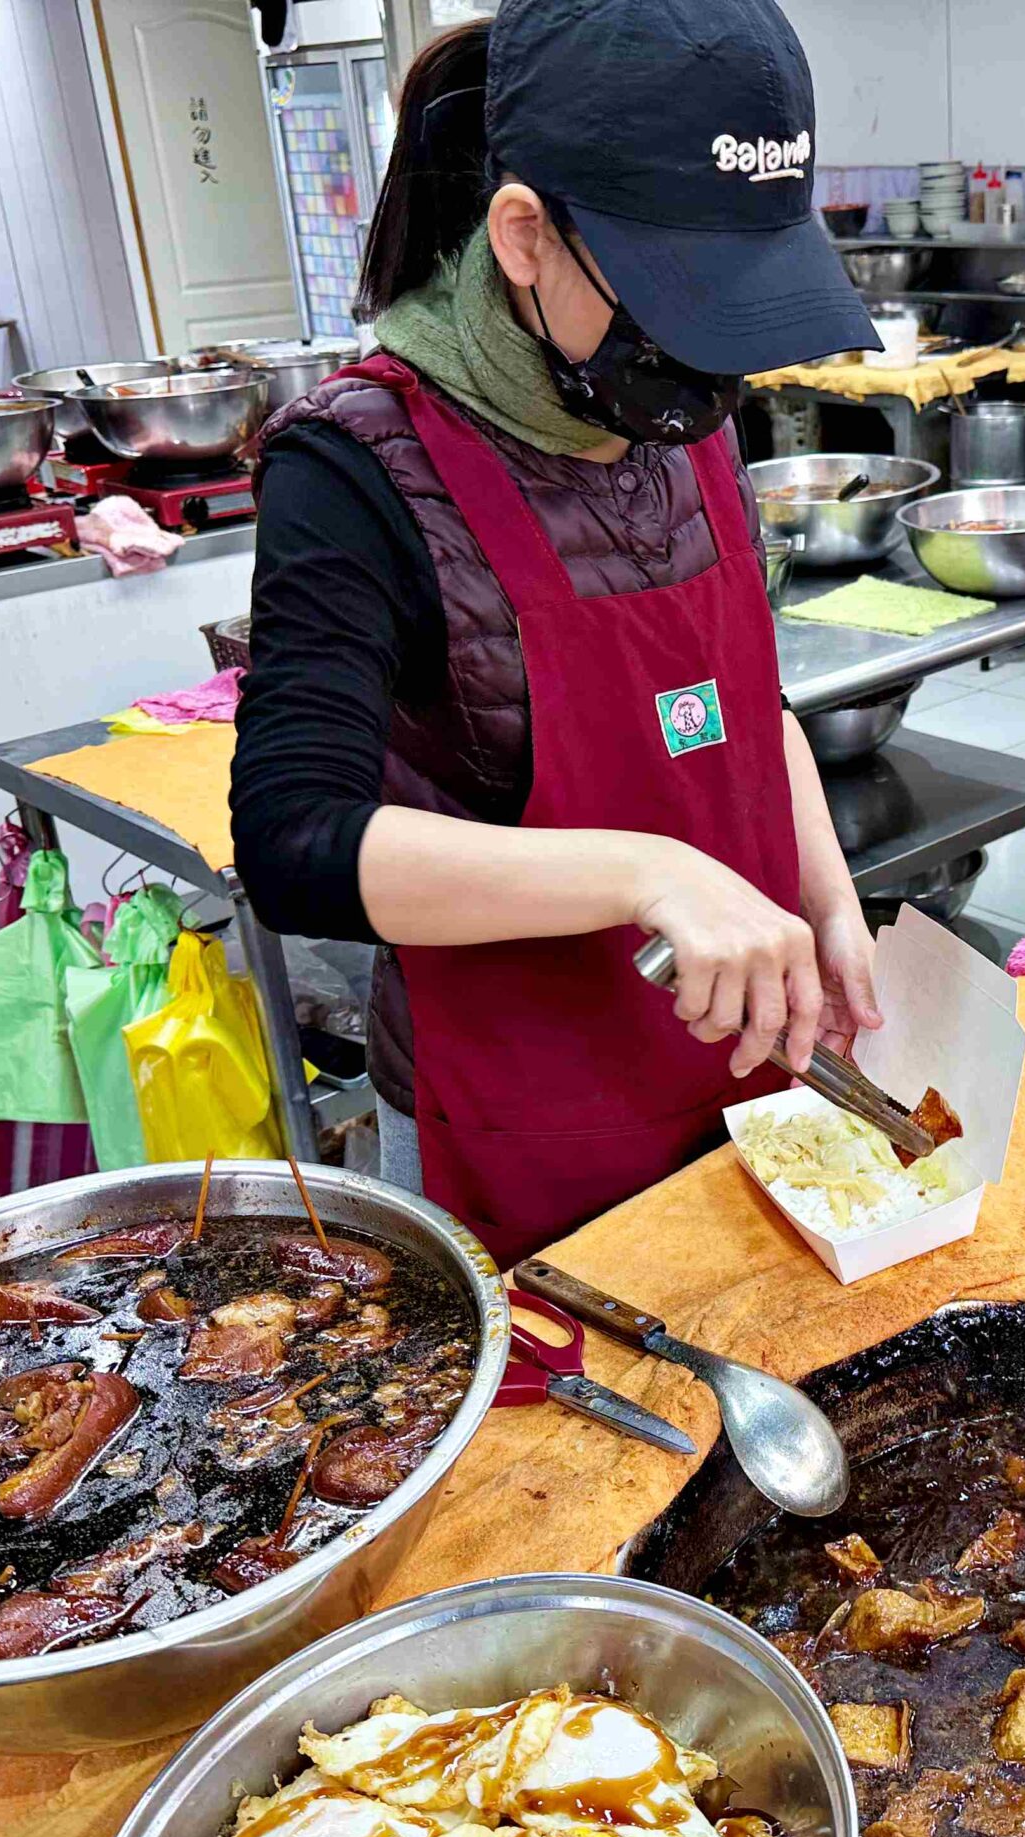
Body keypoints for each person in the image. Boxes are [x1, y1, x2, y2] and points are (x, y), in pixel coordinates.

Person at [230, 0, 882, 1262]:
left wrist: (832, 903)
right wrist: (652, 873)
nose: (705, 367)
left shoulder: (671, 417)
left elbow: (749, 708)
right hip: (521, 1120)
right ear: (524, 236)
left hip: (746, 1072)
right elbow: (294, 845)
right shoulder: (355, 461)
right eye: (678, 305)